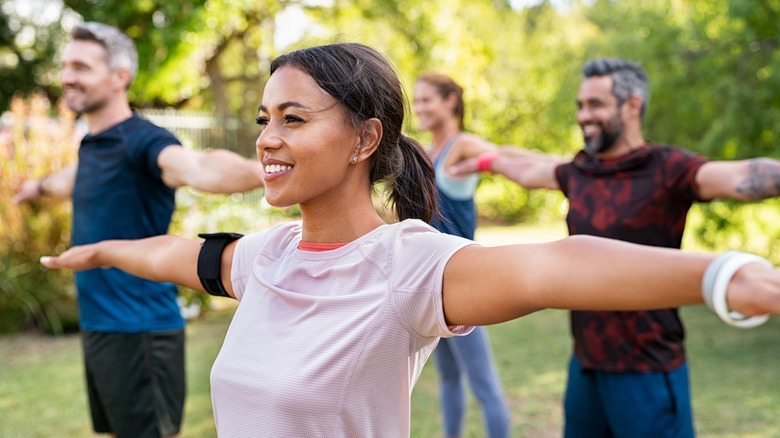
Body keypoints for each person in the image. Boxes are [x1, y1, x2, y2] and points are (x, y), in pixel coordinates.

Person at [37, 44, 780, 438]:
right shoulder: (267, 258)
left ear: (365, 137)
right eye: (265, 118)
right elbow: (175, 254)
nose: (267, 138)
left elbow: (559, 263)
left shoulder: (407, 266)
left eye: (293, 119)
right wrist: (100, 252)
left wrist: (725, 275)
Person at [451, 57, 780, 438]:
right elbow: (529, 169)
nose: (583, 115)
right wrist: (485, 162)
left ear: (632, 105)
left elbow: (740, 175)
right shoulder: (579, 170)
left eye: (595, 105)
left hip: (647, 369)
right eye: (580, 105)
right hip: (586, 366)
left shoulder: (667, 168)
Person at [13, 22, 264, 438]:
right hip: (102, 328)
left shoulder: (144, 142)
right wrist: (33, 188)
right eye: (65, 65)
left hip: (140, 331)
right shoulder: (94, 145)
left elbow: (196, 167)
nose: (67, 76)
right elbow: (66, 181)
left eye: (81, 66)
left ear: (119, 77)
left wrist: (265, 172)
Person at [413, 73, 511, 438]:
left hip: (464, 282)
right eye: (417, 100)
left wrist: (482, 164)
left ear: (451, 100)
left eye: (427, 100)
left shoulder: (464, 145)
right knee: (450, 379)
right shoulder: (425, 153)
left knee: (483, 384)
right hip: (431, 285)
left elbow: (505, 156)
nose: (419, 108)